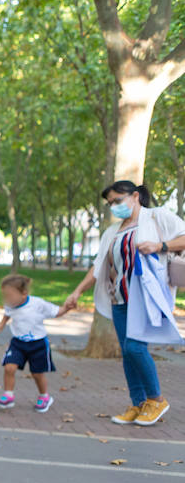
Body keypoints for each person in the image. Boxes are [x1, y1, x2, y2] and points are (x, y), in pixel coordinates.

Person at [64, 180, 185, 426]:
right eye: (111, 203)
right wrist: (76, 292)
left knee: (135, 348)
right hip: (119, 297)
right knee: (127, 353)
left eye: (118, 200)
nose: (115, 206)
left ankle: (156, 399)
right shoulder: (112, 232)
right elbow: (98, 267)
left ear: (135, 196)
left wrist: (159, 246)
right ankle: (138, 403)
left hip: (146, 297)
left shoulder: (156, 217)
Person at [0, 273, 71, 412]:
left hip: (38, 344)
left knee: (37, 373)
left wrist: (67, 308)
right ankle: (8, 395)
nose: (7, 299)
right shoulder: (10, 304)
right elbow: (7, 313)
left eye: (10, 295)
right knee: (9, 367)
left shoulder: (37, 304)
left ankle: (44, 396)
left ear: (24, 294)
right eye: (5, 296)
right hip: (18, 343)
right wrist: (2, 324)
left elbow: (56, 311)